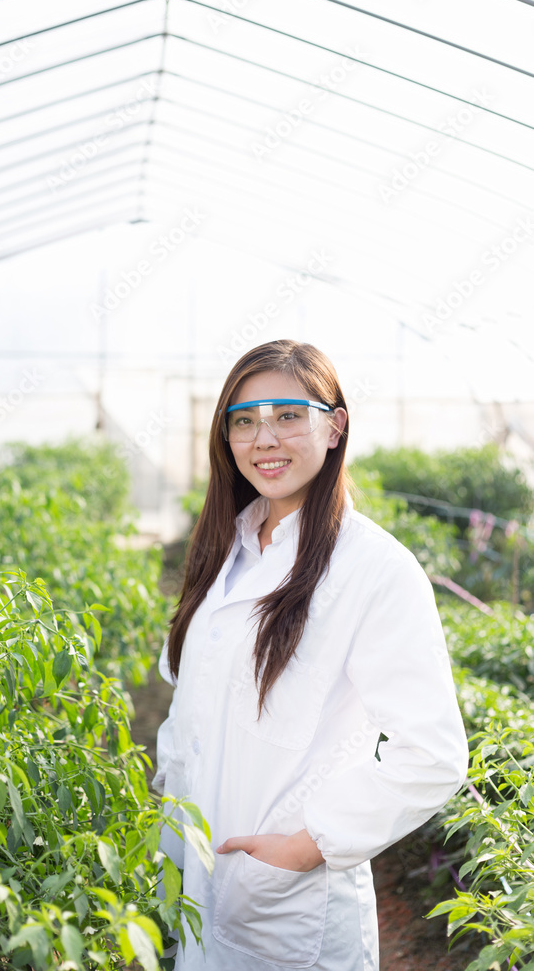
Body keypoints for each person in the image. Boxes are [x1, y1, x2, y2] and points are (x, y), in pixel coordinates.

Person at [153, 339, 468, 971]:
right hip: (200, 877)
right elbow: (191, 708)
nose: (264, 438)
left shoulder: (374, 569)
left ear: (335, 425)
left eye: (288, 415)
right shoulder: (226, 551)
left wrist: (308, 846)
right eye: (243, 421)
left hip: (286, 903)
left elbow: (431, 755)